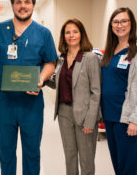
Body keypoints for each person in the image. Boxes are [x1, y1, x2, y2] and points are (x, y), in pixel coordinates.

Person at [0, 0, 57, 175]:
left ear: (33, 5)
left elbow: (50, 63)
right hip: (4, 101)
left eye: (27, 2)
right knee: (6, 151)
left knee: (32, 152)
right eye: (18, 2)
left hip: (31, 101)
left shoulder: (43, 33)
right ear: (12, 5)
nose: (23, 6)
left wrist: (40, 79)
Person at [101, 7, 137, 175]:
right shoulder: (110, 51)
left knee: (129, 168)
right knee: (118, 165)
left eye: (124, 21)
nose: (120, 25)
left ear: (132, 24)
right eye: (116, 21)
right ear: (111, 25)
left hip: (129, 119)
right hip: (110, 117)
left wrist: (136, 120)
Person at [47, 19, 101, 175]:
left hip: (85, 115)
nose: (71, 35)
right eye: (67, 32)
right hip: (64, 113)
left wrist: (90, 121)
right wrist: (38, 80)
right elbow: (56, 82)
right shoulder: (60, 59)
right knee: (69, 157)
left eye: (75, 31)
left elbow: (96, 92)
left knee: (86, 159)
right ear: (63, 36)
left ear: (81, 34)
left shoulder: (90, 58)